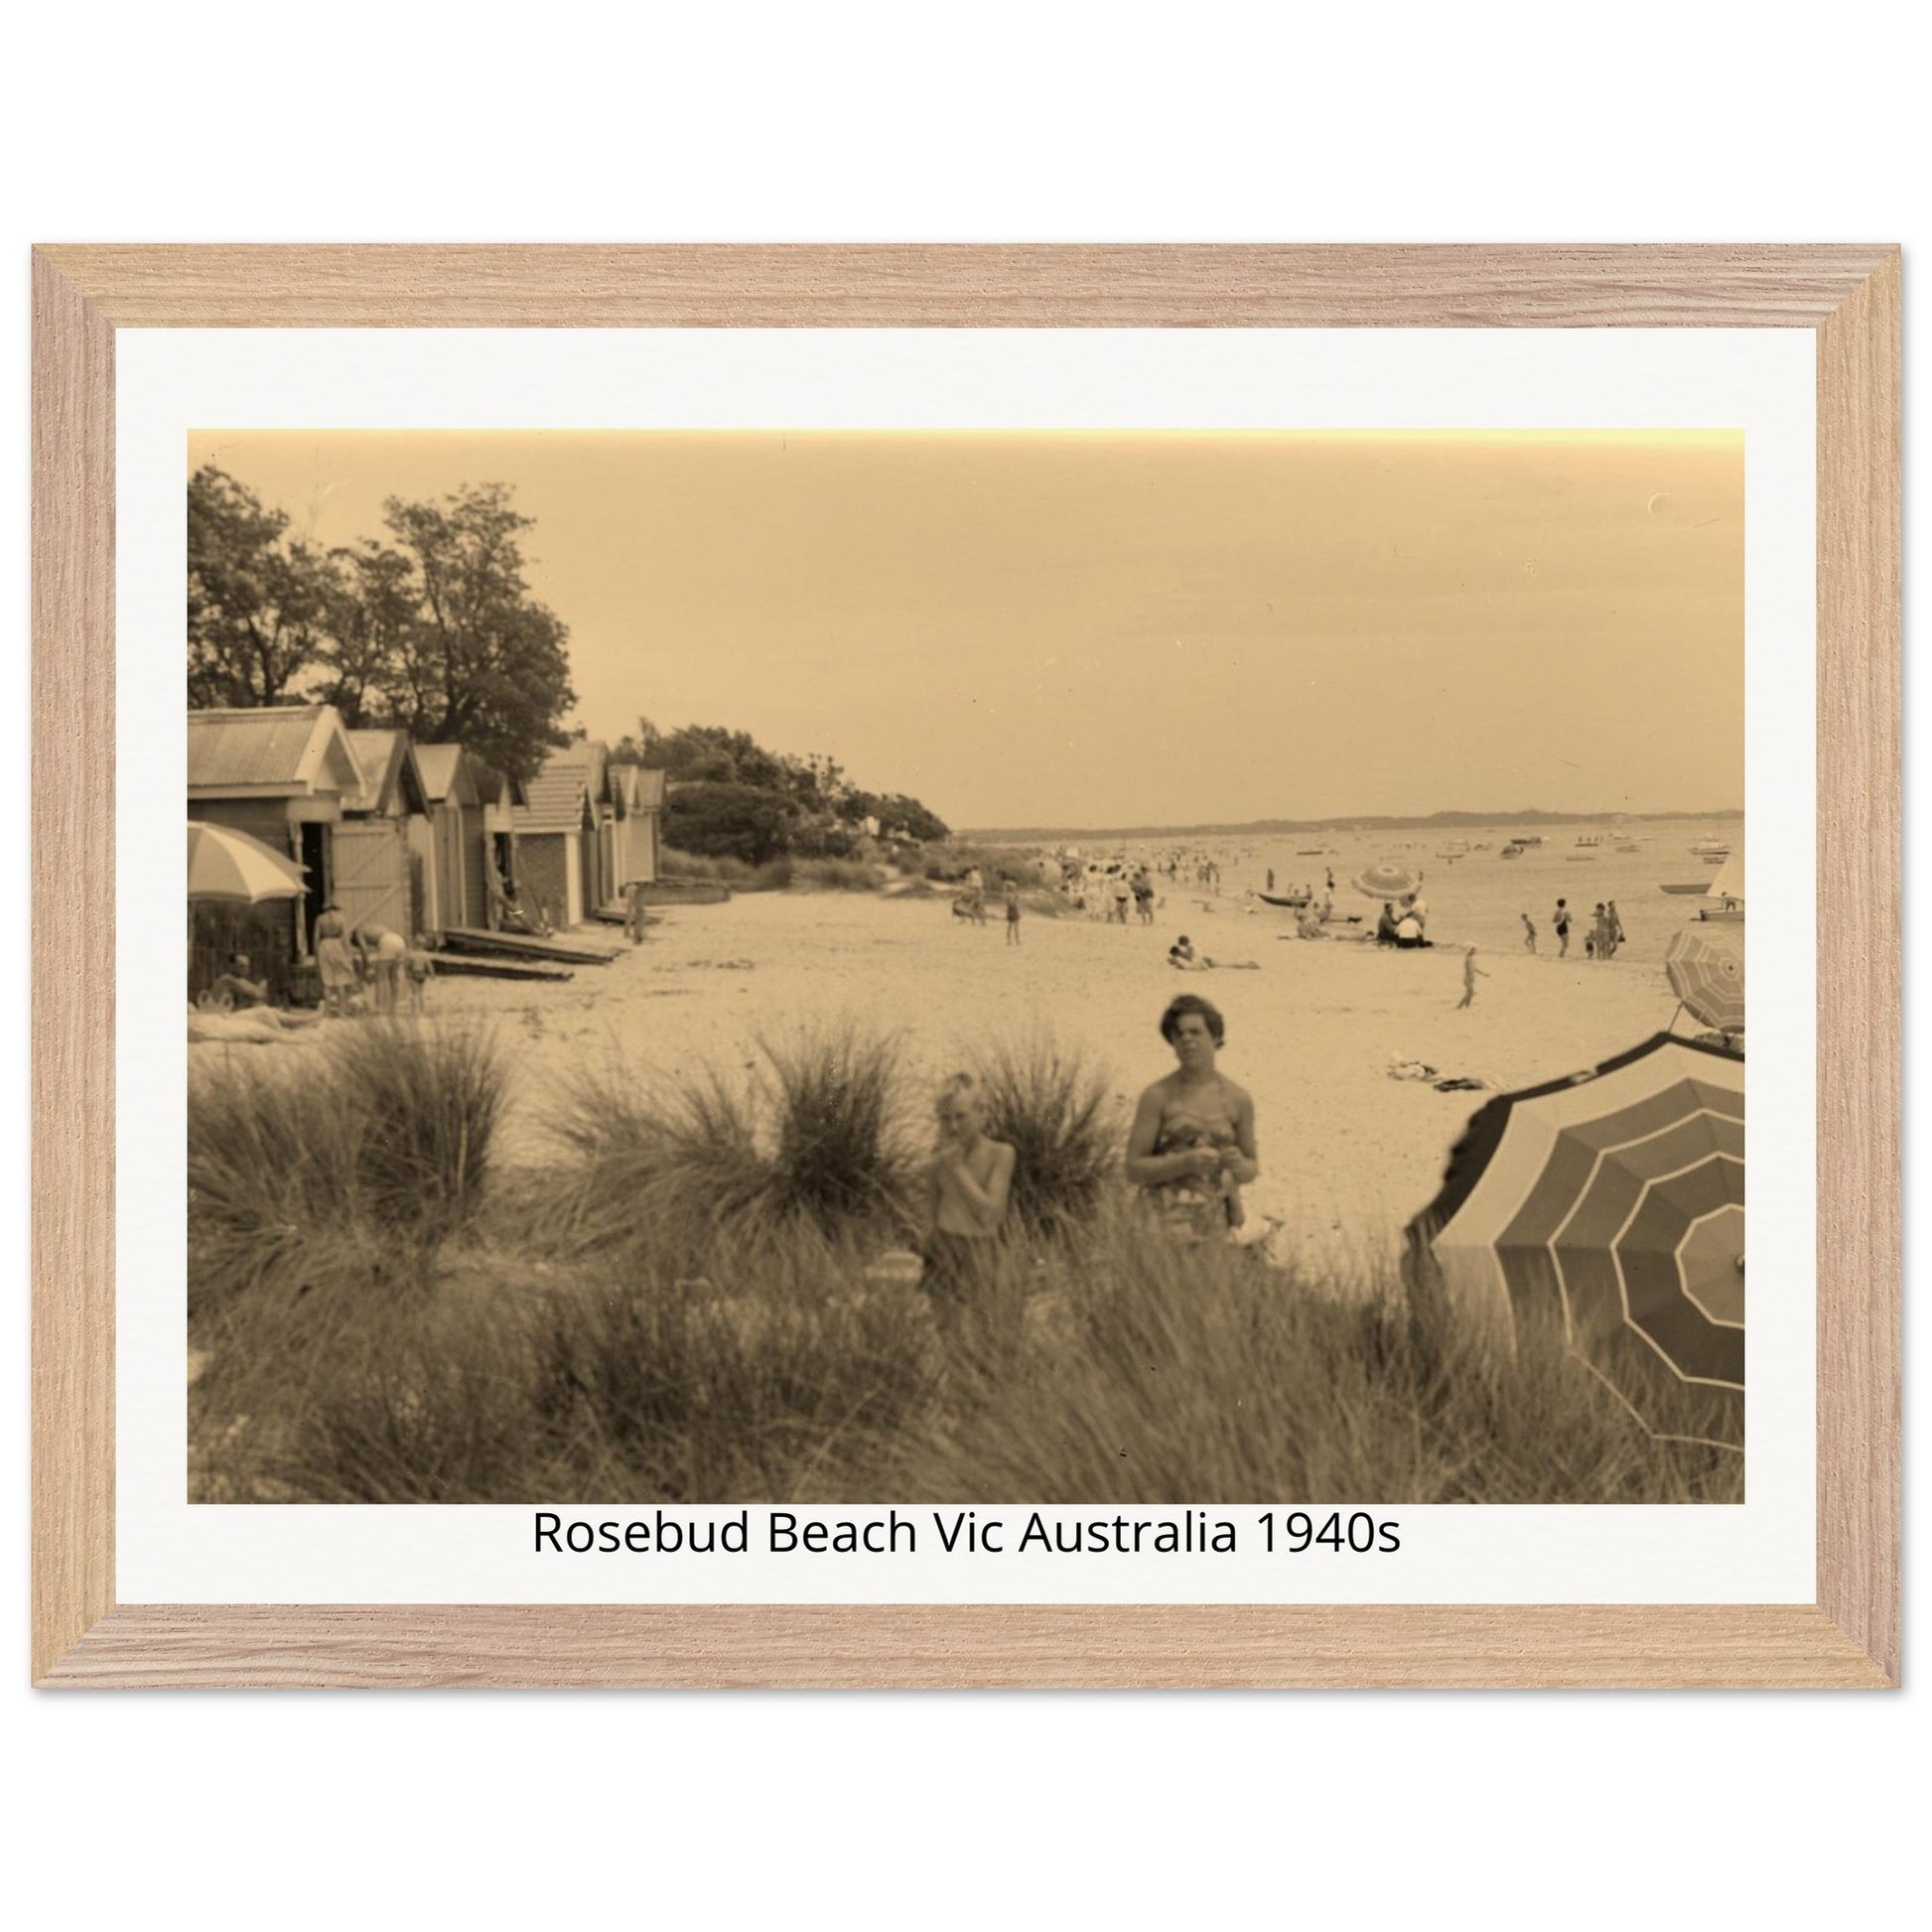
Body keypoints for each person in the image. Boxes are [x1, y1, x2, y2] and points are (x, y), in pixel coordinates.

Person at [1126, 994, 1259, 1241]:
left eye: (1195, 1032)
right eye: (1179, 1034)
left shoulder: (1238, 1099)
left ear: (1216, 1037)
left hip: (1215, 1230)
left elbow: (1251, 1166)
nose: (1186, 1039)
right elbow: (1133, 1168)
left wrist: (1238, 1164)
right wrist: (1184, 1163)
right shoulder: (1157, 1096)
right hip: (1159, 1231)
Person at [920, 1073, 1016, 1323]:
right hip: (944, 1248)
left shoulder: (1000, 1154)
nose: (953, 1127)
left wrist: (958, 1170)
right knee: (946, 1332)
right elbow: (930, 1212)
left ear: (981, 1114)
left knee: (983, 1331)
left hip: (981, 1251)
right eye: (945, 1118)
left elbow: (991, 1214)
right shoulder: (938, 1157)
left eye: (961, 1117)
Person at [313, 901, 356, 1018]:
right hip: (337, 945)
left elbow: (316, 938)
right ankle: (342, 1012)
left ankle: (327, 1012)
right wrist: (348, 955)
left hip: (324, 945)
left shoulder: (320, 919)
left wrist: (316, 955)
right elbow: (345, 938)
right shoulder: (341, 918)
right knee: (340, 979)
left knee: (326, 980)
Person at [1456, 945, 1486, 1010]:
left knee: (1470, 993)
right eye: (1473, 950)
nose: (1475, 952)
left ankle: (1465, 1006)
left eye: (1475, 950)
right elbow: (1468, 968)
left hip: (1471, 978)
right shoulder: (1467, 959)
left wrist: (1483, 974)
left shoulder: (1471, 959)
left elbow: (1475, 969)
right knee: (1470, 993)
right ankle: (1460, 1006)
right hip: (1468, 979)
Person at [624, 877, 649, 945]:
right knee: (639, 913)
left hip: (632, 885)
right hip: (635, 887)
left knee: (632, 912)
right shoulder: (637, 888)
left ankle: (630, 934)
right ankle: (637, 937)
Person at [1003, 879, 1022, 946]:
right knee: (1016, 927)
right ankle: (1017, 940)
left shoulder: (1006, 895)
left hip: (1009, 910)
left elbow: (1008, 903)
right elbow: (1012, 904)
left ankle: (1009, 940)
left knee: (1010, 926)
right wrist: (1016, 899)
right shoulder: (1012, 895)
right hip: (1013, 910)